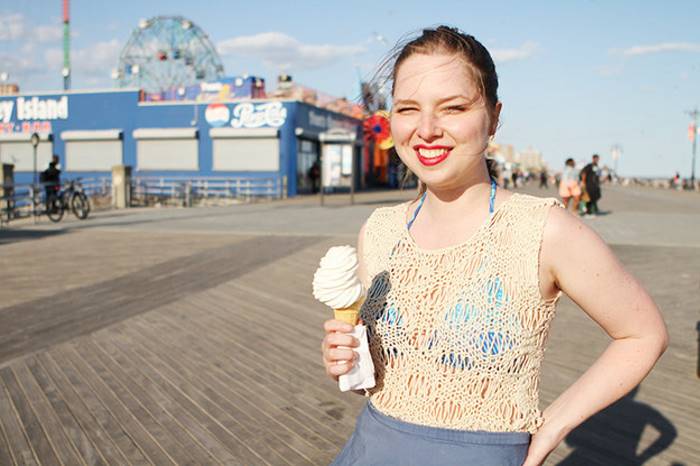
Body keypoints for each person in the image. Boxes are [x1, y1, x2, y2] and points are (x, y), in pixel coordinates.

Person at [321, 26, 667, 466]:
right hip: (370, 447)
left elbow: (643, 333)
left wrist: (552, 424)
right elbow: (384, 378)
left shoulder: (540, 229)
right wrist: (347, 360)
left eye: (454, 108)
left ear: (493, 118)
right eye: (408, 108)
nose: (426, 129)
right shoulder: (379, 229)